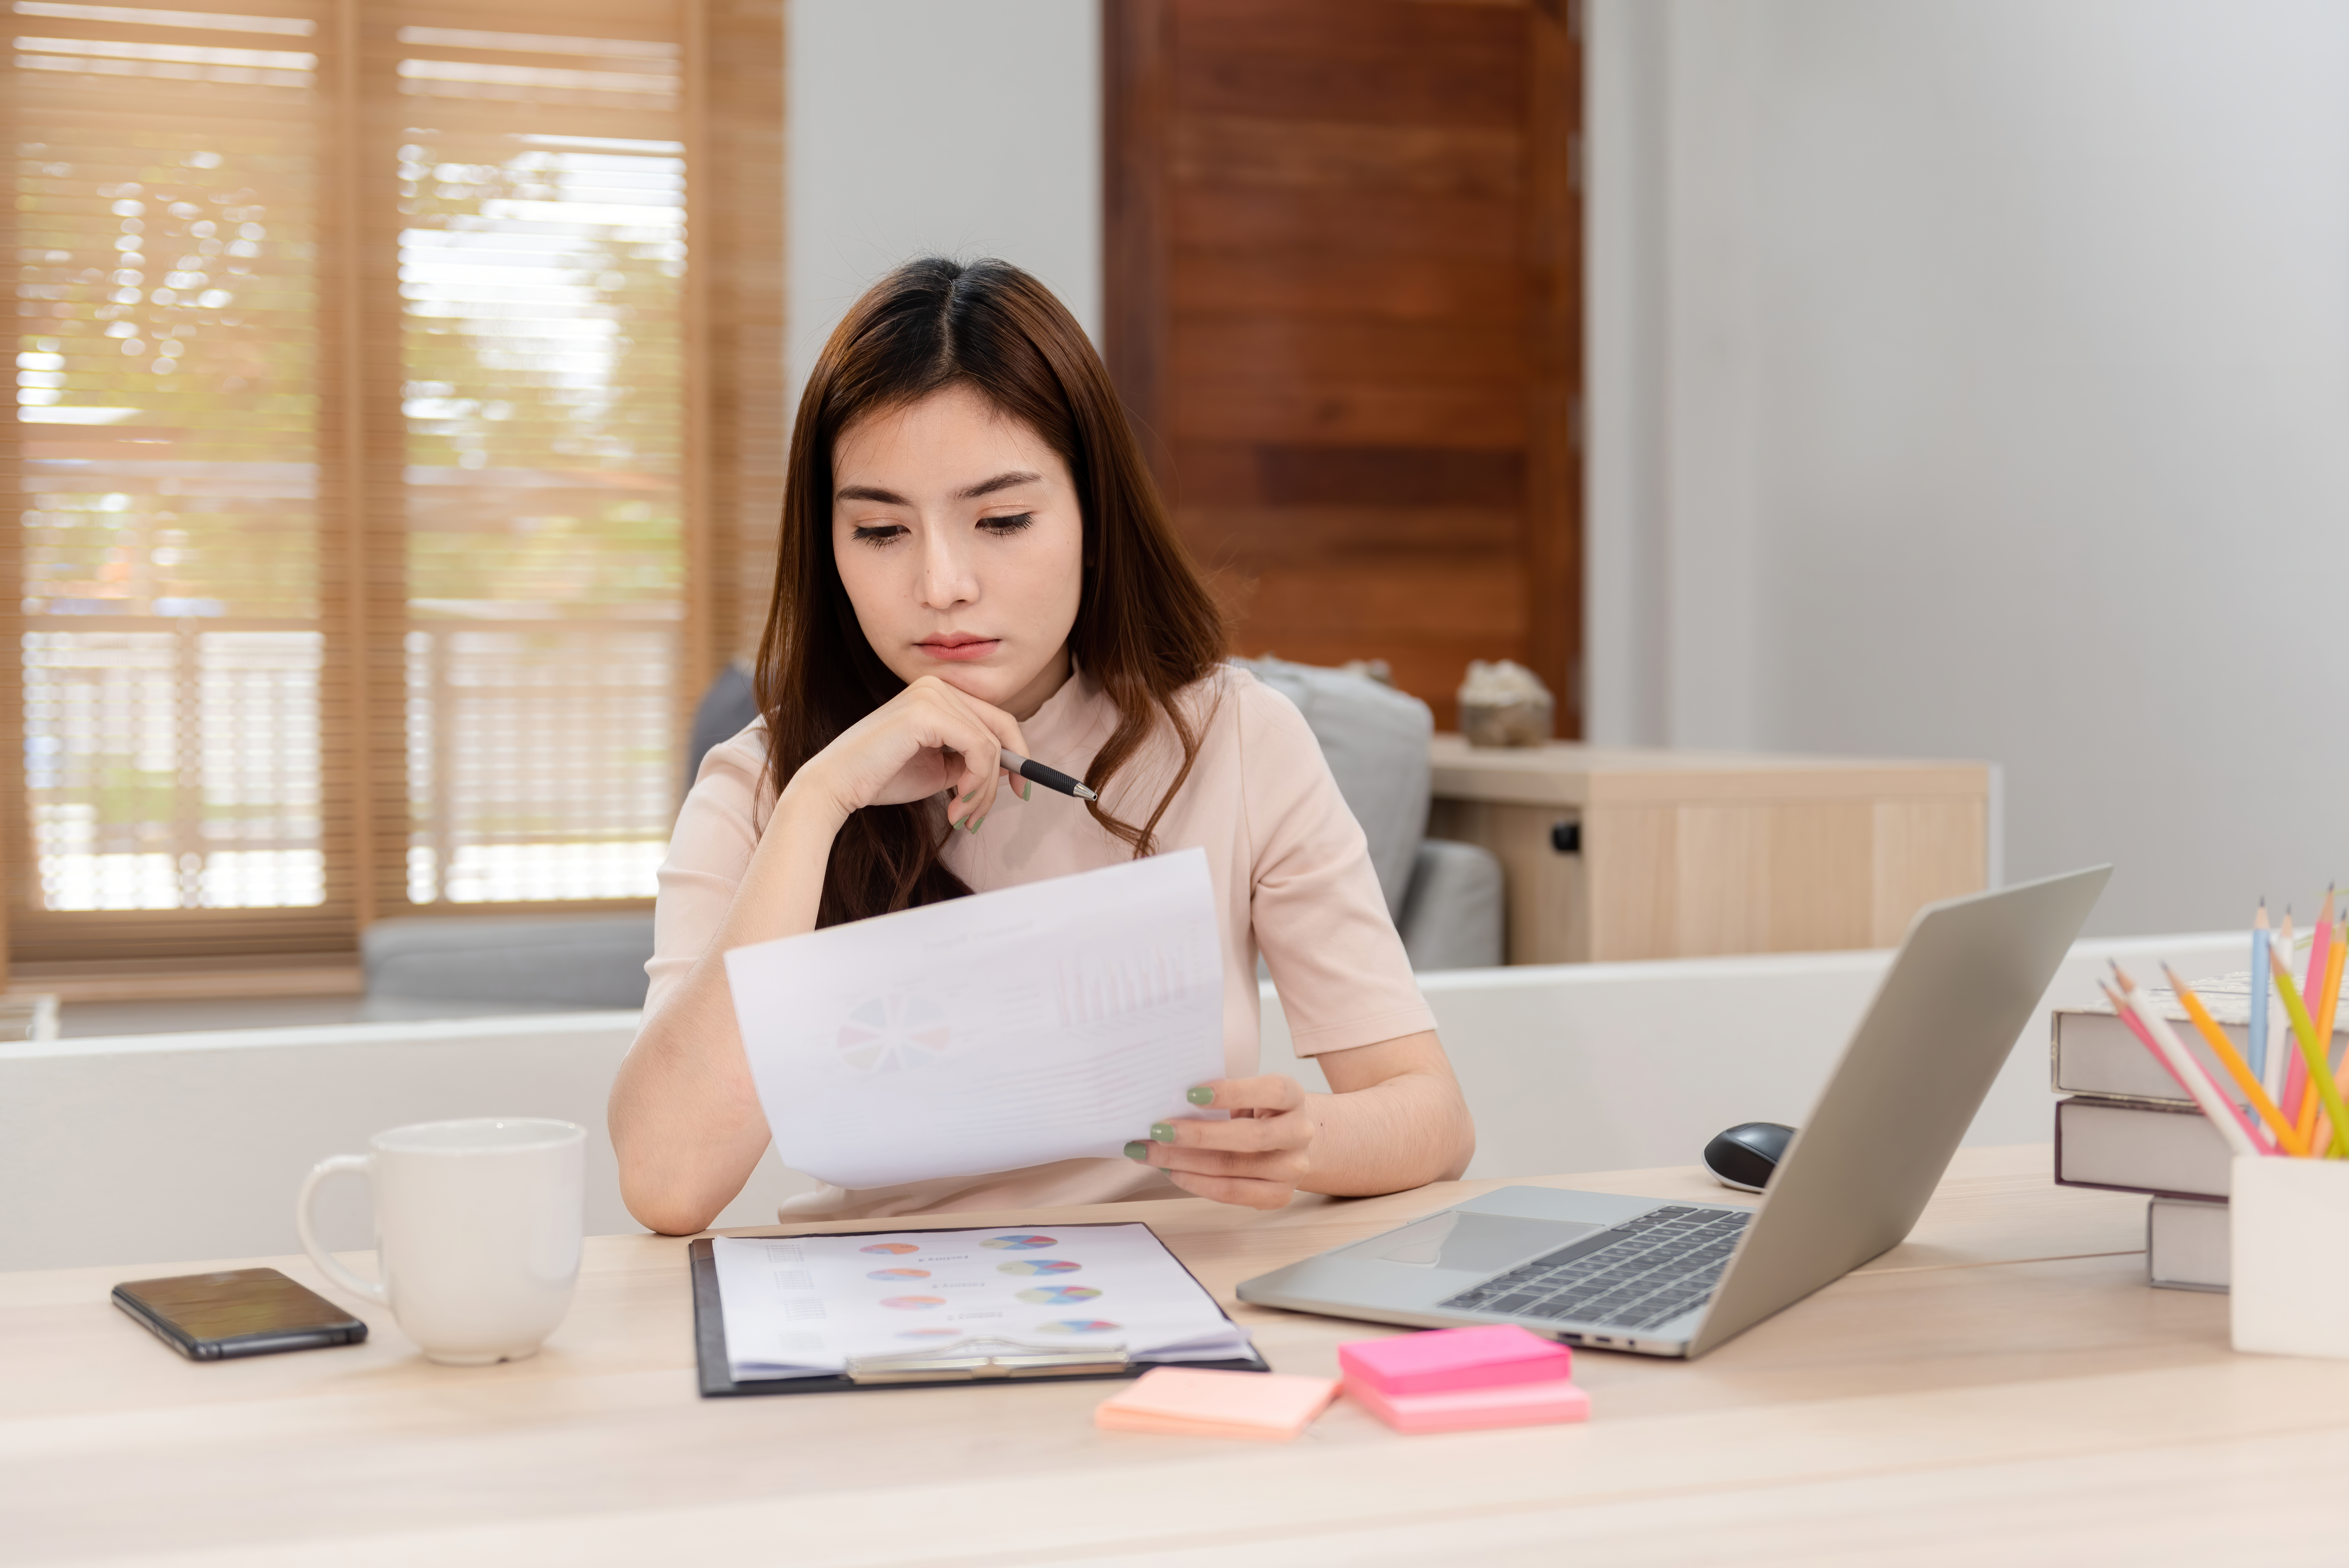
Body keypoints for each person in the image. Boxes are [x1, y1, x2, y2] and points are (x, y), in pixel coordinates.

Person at [610, 257, 1475, 1235]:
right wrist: (815, 805)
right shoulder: (764, 788)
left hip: (1177, 1294)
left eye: (1003, 520)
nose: (942, 584)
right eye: (882, 531)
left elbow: (1432, 1116)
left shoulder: (1233, 737)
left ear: (1094, 521)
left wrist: (1305, 1140)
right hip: (880, 1314)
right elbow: (666, 1184)